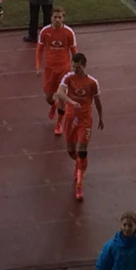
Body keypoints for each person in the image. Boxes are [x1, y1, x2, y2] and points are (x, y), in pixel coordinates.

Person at [57, 53, 104, 201]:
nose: (75, 70)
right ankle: (78, 165)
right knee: (71, 151)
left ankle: (79, 184)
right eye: (73, 66)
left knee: (82, 150)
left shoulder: (92, 82)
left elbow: (97, 101)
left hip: (85, 120)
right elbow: (59, 92)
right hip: (71, 119)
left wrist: (101, 118)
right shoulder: (68, 78)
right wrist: (71, 101)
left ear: (84, 65)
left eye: (78, 67)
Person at [35, 7, 77, 135]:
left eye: (60, 17)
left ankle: (59, 124)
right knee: (48, 97)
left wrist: (76, 68)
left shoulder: (69, 33)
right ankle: (54, 105)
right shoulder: (45, 32)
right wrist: (38, 66)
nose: (57, 20)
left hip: (64, 69)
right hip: (49, 69)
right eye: (55, 17)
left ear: (63, 18)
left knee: (62, 97)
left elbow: (74, 51)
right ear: (51, 17)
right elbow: (39, 49)